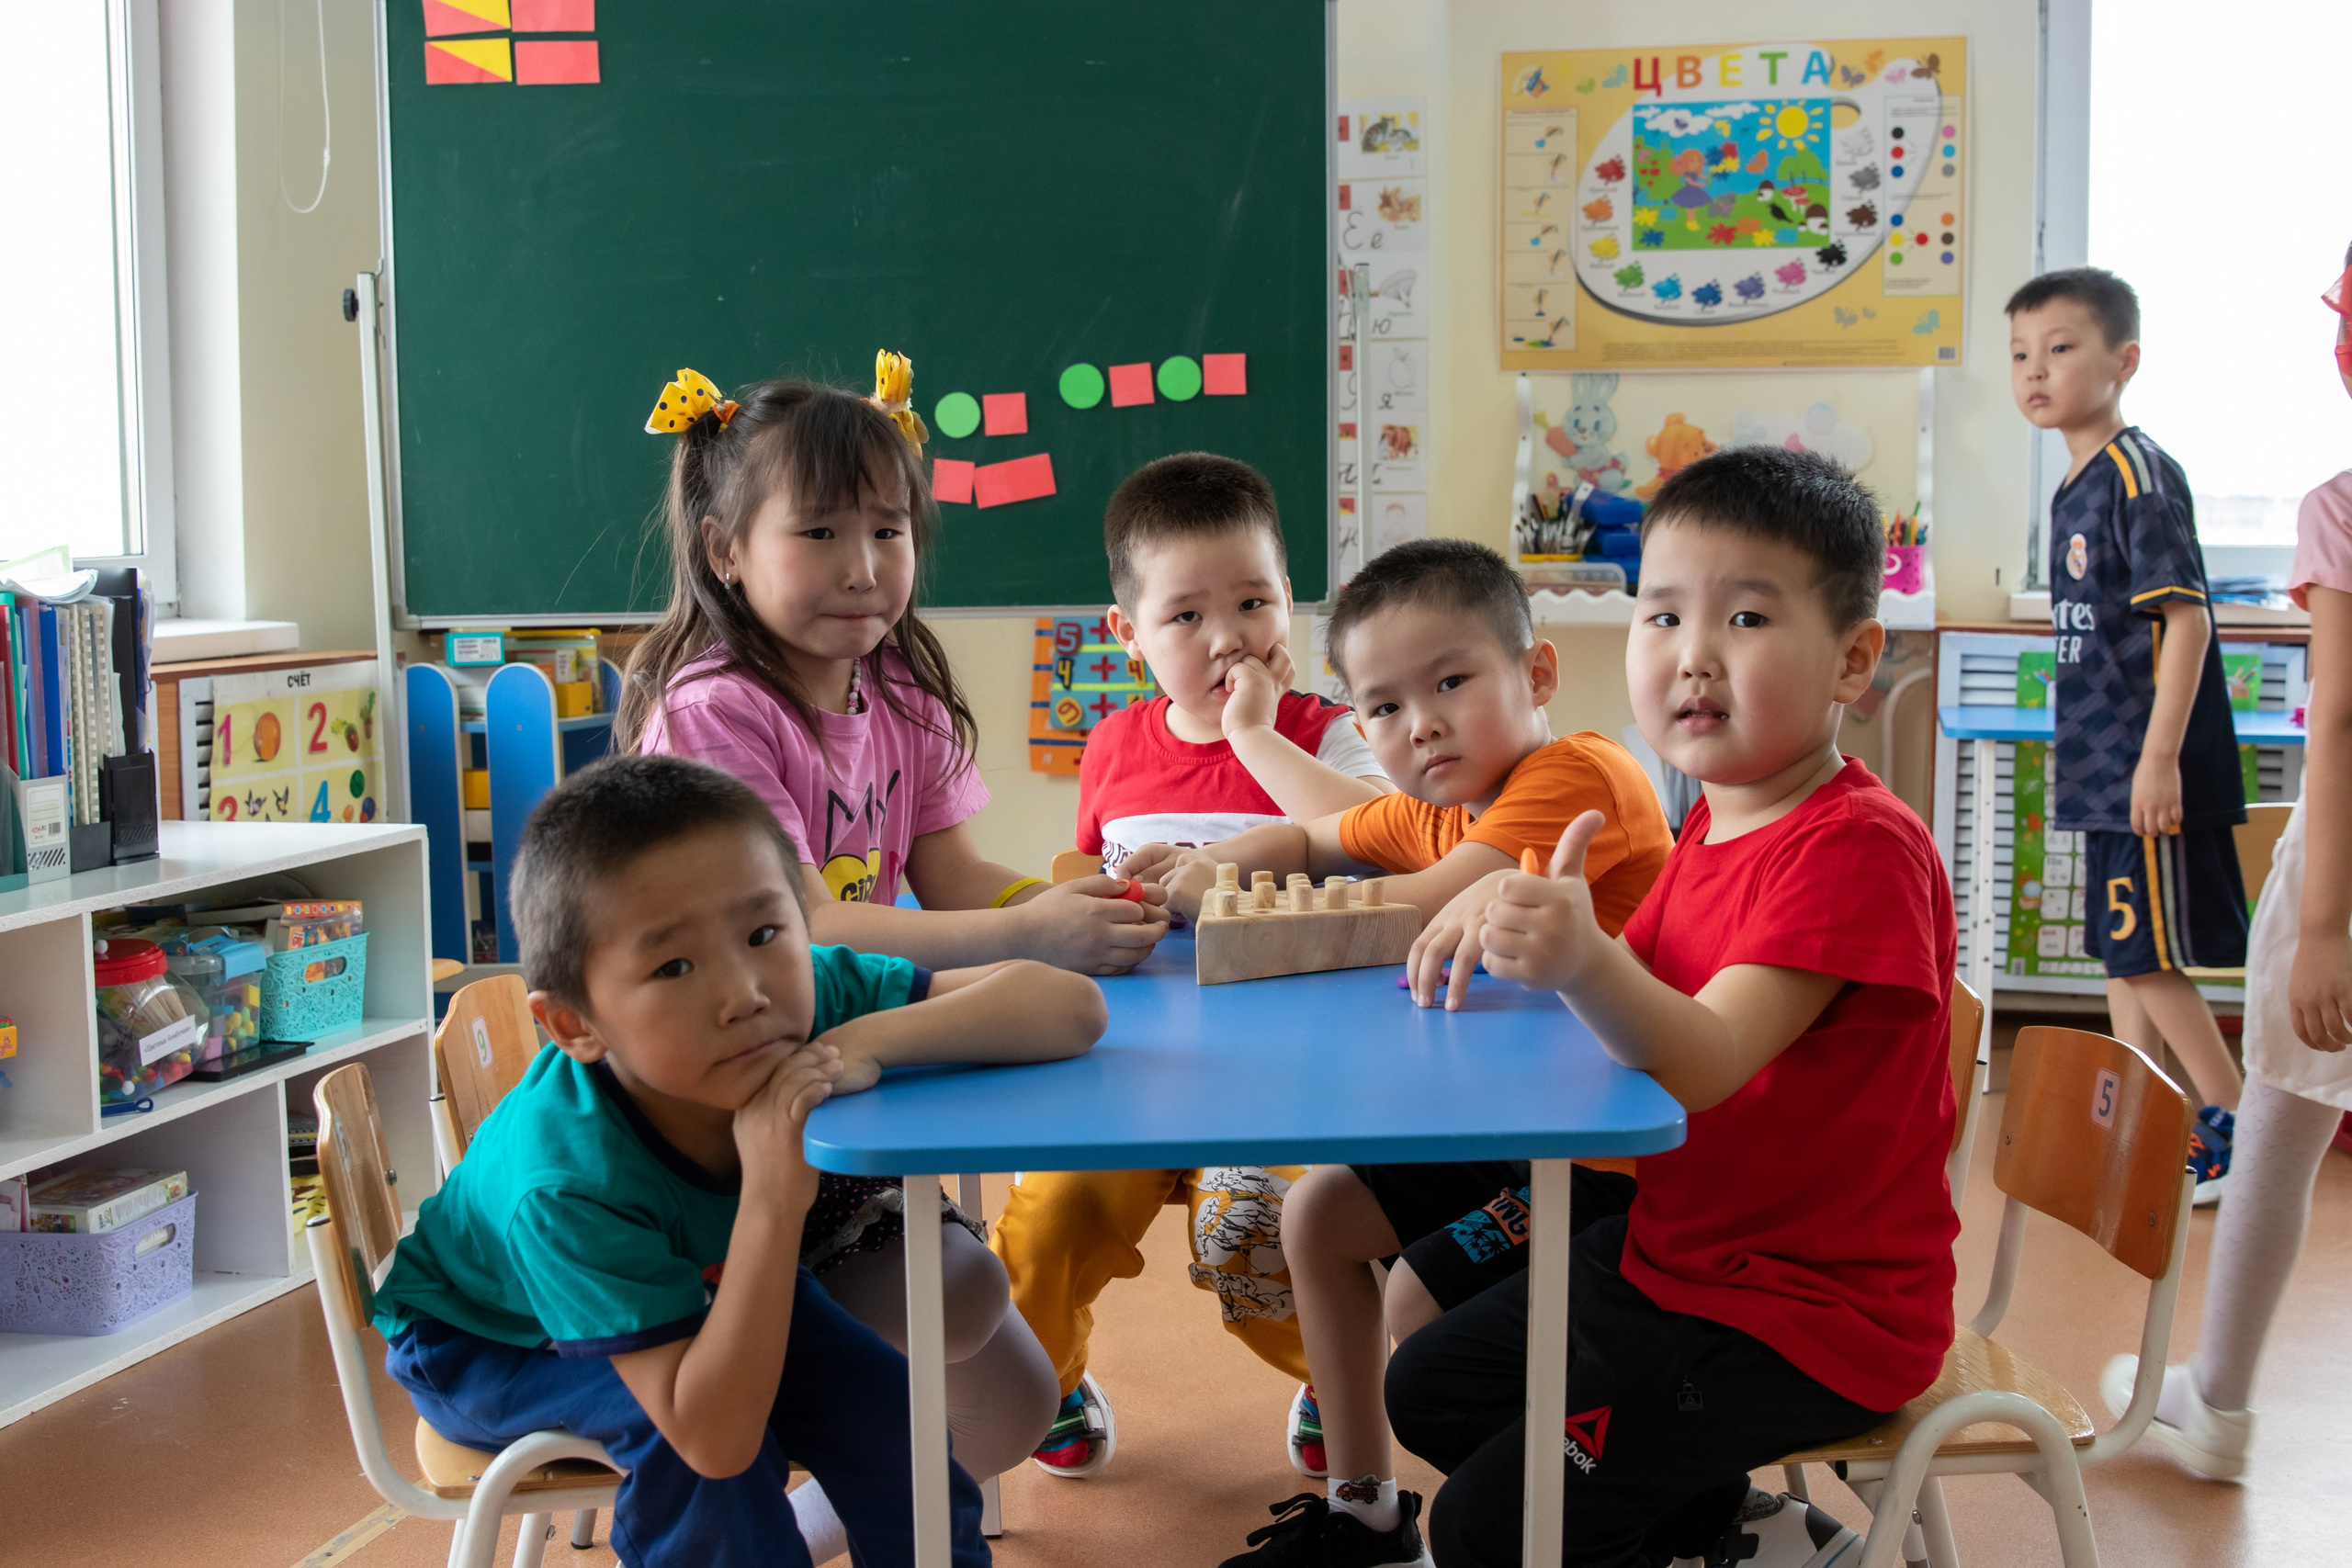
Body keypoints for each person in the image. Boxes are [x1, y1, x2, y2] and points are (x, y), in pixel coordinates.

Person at [1380, 446, 1953, 1568]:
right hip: (1682, 1257)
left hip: (1807, 1314)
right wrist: (1520, 913)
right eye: (1659, 616)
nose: (1691, 656)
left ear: (1852, 659)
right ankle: (1725, 1531)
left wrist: (1581, 956)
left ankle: (1708, 1529)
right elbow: (1609, 1005)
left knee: (1485, 1527)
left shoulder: (1856, 847)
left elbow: (1703, 1059)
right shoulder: (1718, 815)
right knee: (1430, 1387)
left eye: (1744, 618)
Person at [617, 361, 1164, 1510]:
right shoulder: (716, 707)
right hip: (719, 1118)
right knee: (957, 1298)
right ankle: (742, 1468)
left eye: (890, 528)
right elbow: (808, 922)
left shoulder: (898, 686)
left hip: (841, 1061)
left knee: (1007, 1410)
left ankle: (838, 1513)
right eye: (818, 531)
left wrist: (1083, 906)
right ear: (725, 549)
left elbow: (951, 875)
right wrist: (1038, 933)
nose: (863, 569)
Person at [371, 754, 1109, 1568]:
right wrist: (770, 1198)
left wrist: (849, 1047)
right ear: (576, 1023)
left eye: (764, 932)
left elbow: (1067, 1006)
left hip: (700, 1278)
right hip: (492, 1341)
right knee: (708, 1464)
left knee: (884, 1412)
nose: (745, 992)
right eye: (673, 966)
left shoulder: (799, 999)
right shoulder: (566, 1180)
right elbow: (712, 1440)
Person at [1126, 538, 1671, 1568]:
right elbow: (1313, 835)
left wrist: (1228, 900)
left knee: (1420, 1309)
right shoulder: (1440, 806)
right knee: (1319, 1212)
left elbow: (1398, 912)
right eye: (1380, 708)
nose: (1417, 725)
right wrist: (1210, 858)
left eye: (1450, 683)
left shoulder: (1577, 779)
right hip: (1520, 1127)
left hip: (1616, 1165)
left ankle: (1588, 1511)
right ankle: (1364, 1512)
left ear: (1537, 673)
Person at [991, 453, 1394, 1479]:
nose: (1228, 638)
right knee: (1048, 1222)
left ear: (1293, 607)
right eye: (1184, 617)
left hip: (1286, 1081)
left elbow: (1379, 840)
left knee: (1249, 1231)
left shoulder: (1332, 736)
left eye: (1256, 602)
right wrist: (1094, 892)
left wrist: (1253, 738)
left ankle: (1335, 1373)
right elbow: (1083, 863)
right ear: (1127, 635)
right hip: (1130, 1072)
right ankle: (1046, 1381)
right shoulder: (1114, 744)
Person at [2101, 246, 2352, 1480]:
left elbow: (2340, 718)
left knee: (2285, 1123)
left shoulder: (2339, 501)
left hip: (2340, 870)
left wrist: (2323, 925)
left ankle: (2225, 1405)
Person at [2007, 269, 2248, 1201]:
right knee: (2119, 953)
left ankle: (2232, 1123)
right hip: (2100, 768)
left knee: (2145, 954)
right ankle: (2138, 1122)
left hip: (2147, 769)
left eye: (2060, 348)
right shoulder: (2075, 484)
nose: (2036, 370)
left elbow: (2186, 621)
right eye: (2021, 354)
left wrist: (2155, 761)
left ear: (2123, 360)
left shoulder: (2138, 476)